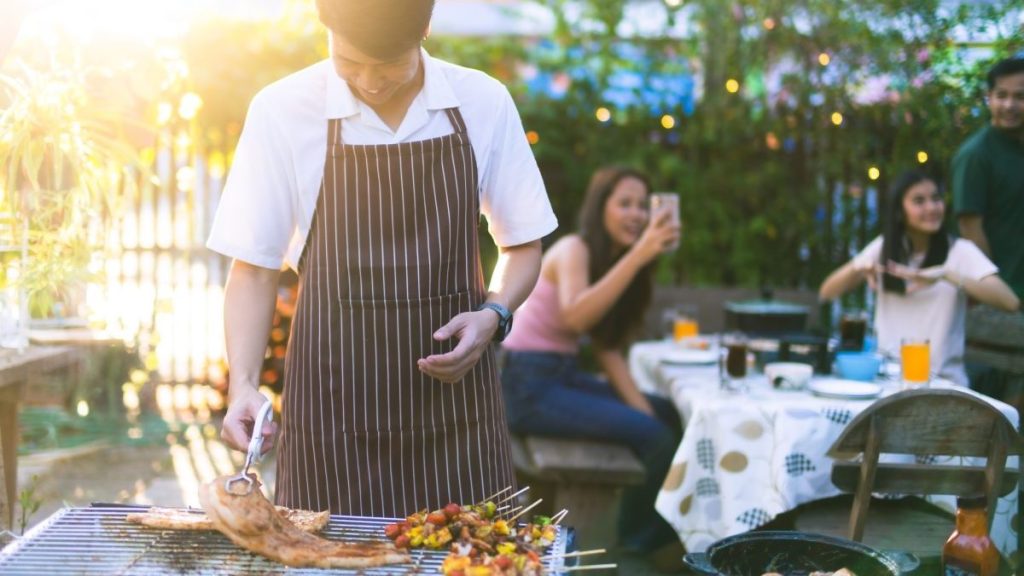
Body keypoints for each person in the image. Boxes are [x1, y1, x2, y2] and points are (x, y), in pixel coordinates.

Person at [207, 0, 558, 517]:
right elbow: (255, 270)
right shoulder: (282, 110)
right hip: (332, 416)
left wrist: (495, 313)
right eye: (349, 65)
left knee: (474, 560)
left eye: (389, 65)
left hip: (456, 413)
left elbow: (523, 244)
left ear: (425, 30)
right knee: (323, 559)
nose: (369, 83)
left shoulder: (483, 101)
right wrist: (242, 385)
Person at [500, 165, 683, 553]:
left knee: (667, 415)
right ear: (601, 208)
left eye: (643, 206)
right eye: (625, 204)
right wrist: (638, 256)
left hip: (559, 377)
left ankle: (661, 530)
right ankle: (636, 544)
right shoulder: (574, 249)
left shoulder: (612, 261)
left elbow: (607, 349)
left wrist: (643, 411)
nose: (637, 214)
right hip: (527, 386)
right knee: (657, 439)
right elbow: (576, 316)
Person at [819, 170, 1019, 386]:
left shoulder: (960, 251)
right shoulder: (886, 247)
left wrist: (946, 275)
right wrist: (859, 267)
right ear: (899, 210)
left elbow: (1010, 301)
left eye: (936, 198)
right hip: (888, 382)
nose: (931, 208)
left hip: (942, 386)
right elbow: (826, 292)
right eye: (919, 201)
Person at [953, 56, 1024, 302]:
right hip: (1004, 299)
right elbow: (970, 229)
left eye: (1020, 97)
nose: (1009, 105)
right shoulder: (976, 155)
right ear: (989, 98)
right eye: (1001, 95)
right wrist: (994, 291)